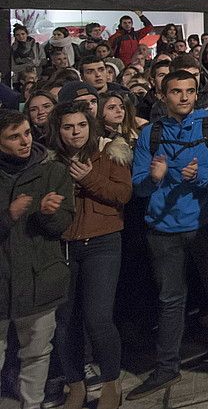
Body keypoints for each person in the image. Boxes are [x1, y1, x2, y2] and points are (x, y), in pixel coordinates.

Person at [128, 70, 208, 398]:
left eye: (189, 91)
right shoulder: (151, 135)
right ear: (163, 95)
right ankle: (167, 368)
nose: (183, 97)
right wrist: (154, 178)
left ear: (197, 93)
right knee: (170, 300)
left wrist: (200, 176)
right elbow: (138, 187)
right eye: (176, 91)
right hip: (163, 230)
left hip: (206, 226)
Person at [47, 101, 131, 409]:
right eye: (68, 127)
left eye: (80, 125)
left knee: (98, 318)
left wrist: (88, 179)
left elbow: (123, 195)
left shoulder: (111, 150)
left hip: (103, 241)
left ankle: (111, 384)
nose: (75, 132)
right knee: (65, 321)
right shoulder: (51, 160)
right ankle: (76, 386)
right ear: (58, 130)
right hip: (65, 244)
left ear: (90, 124)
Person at [0, 109, 73, 409]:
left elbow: (64, 222)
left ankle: (33, 405)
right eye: (13, 137)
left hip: (39, 276)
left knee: (37, 352)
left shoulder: (51, 170)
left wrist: (48, 215)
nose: (24, 141)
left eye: (27, 133)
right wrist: (7, 217)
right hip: (3, 279)